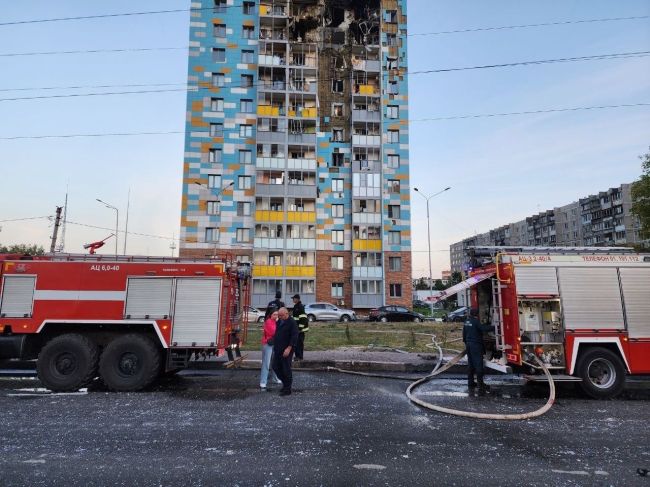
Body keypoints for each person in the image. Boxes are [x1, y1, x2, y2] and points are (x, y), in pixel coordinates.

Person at [462, 307, 493, 395]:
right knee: (478, 364)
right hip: (476, 345)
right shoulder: (476, 322)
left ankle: (471, 382)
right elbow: (483, 328)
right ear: (476, 314)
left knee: (471, 364)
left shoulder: (466, 321)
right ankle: (480, 384)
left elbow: (464, 334)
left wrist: (467, 343)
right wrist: (494, 327)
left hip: (468, 344)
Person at [272, 307, 299, 396]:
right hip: (278, 349)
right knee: (275, 367)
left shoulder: (292, 323)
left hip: (287, 349)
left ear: (286, 314)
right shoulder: (279, 321)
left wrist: (289, 348)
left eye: (281, 315)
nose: (279, 317)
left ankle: (287, 388)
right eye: (279, 315)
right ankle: (285, 384)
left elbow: (294, 337)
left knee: (286, 368)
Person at [259, 310, 282, 389]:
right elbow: (273, 332)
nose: (276, 316)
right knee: (266, 363)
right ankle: (263, 382)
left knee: (275, 362)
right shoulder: (268, 322)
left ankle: (275, 378)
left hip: (276, 344)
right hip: (267, 344)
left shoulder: (278, 322)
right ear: (270, 315)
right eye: (274, 314)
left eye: (277, 314)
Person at [291, 294, 309, 360]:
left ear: (297, 299)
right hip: (297, 329)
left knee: (299, 343)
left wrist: (300, 328)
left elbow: (303, 318)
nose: (293, 300)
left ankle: (300, 356)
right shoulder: (296, 306)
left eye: (294, 298)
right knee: (296, 343)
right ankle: (297, 356)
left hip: (300, 330)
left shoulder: (300, 307)